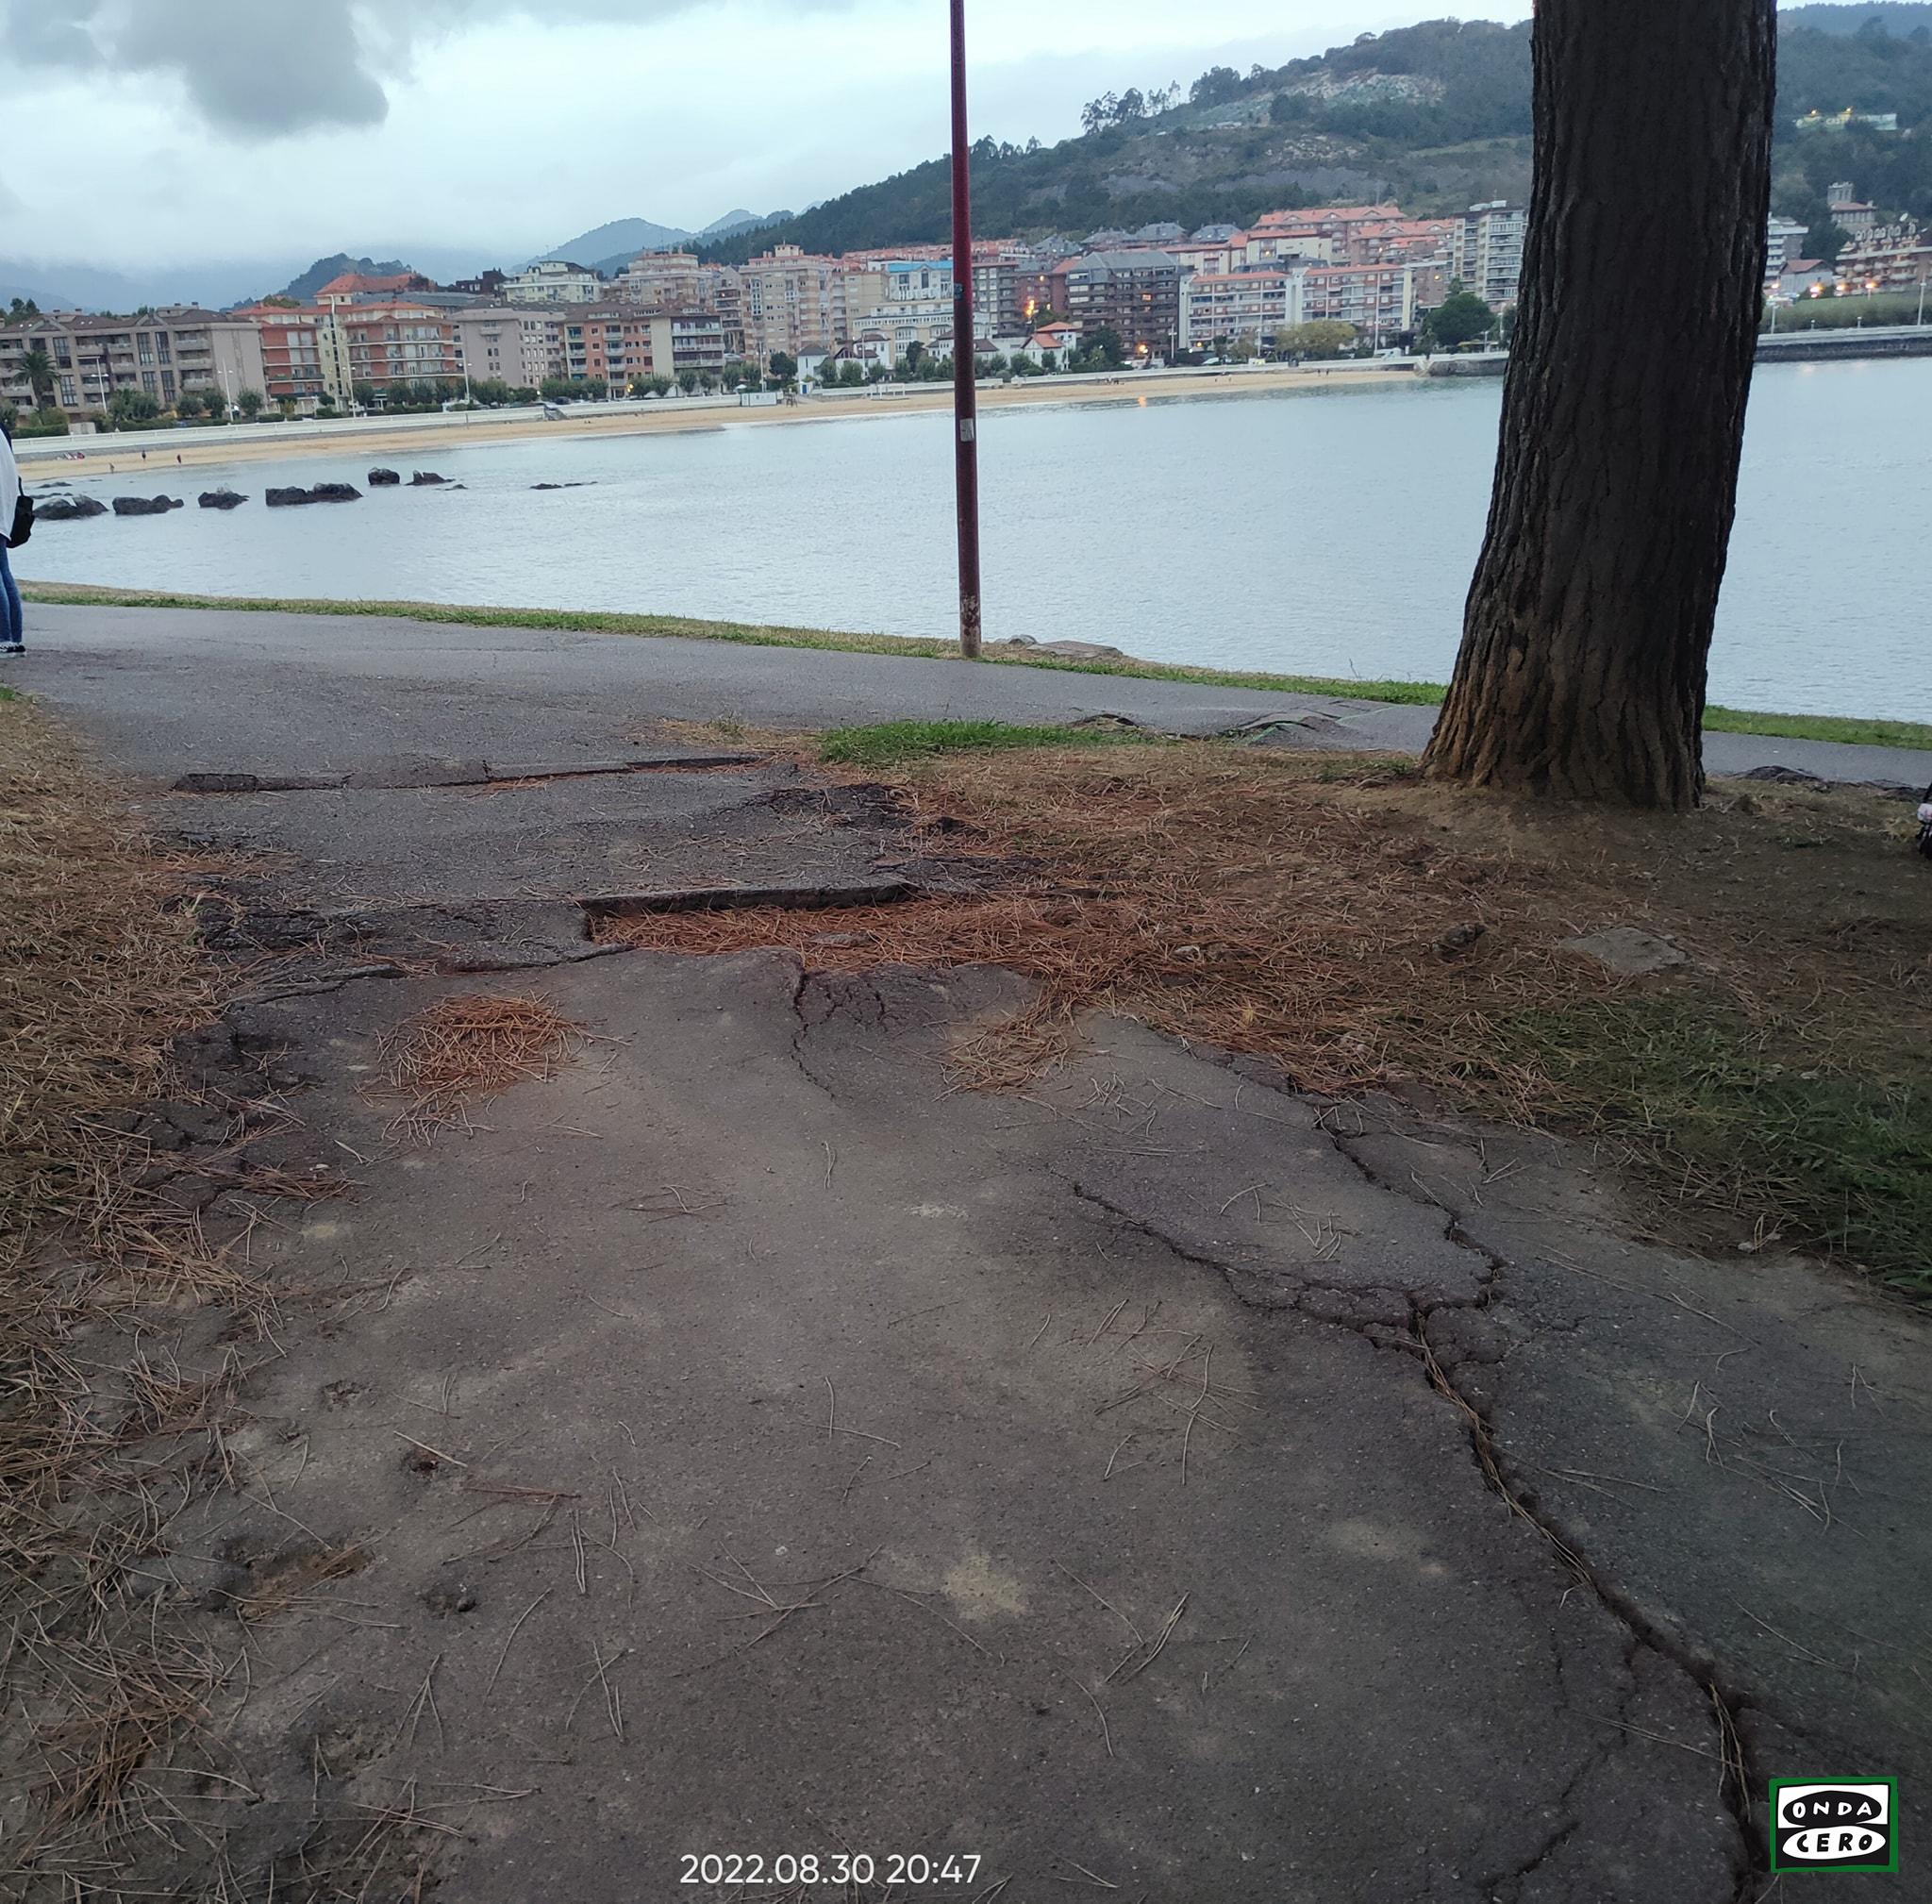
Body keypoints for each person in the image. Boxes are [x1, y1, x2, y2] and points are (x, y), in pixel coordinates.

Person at [1, 414, 25, 658]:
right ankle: (14, 639)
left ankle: (4, 639)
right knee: (4, 573)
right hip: (5, 512)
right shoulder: (2, 431)